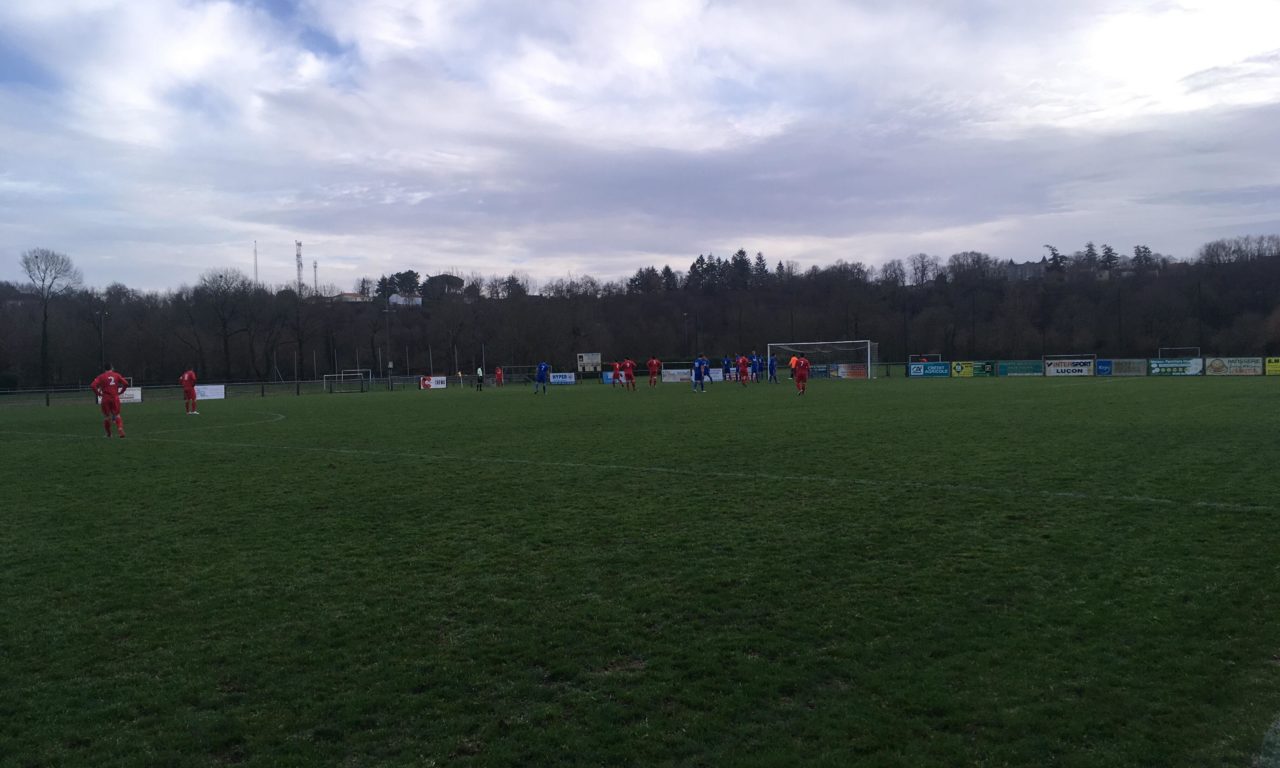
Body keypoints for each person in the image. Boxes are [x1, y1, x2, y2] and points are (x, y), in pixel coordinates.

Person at [91, 364, 129, 438]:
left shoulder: (101, 376)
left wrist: (98, 393)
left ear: (105, 369)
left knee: (107, 417)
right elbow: (126, 383)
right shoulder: (116, 375)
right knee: (117, 415)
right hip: (115, 397)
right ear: (112, 368)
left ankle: (109, 434)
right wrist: (122, 391)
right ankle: (120, 429)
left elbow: (92, 385)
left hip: (105, 398)